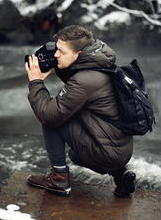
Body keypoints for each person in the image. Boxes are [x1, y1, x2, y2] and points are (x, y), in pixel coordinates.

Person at [24, 25, 135, 197]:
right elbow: (76, 81)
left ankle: (59, 179)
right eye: (56, 49)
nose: (55, 55)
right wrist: (56, 65)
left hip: (107, 152)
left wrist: (36, 82)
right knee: (75, 155)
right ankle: (120, 175)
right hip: (120, 149)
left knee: (51, 118)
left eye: (61, 51)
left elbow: (48, 115)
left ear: (79, 54)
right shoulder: (101, 63)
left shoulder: (84, 81)